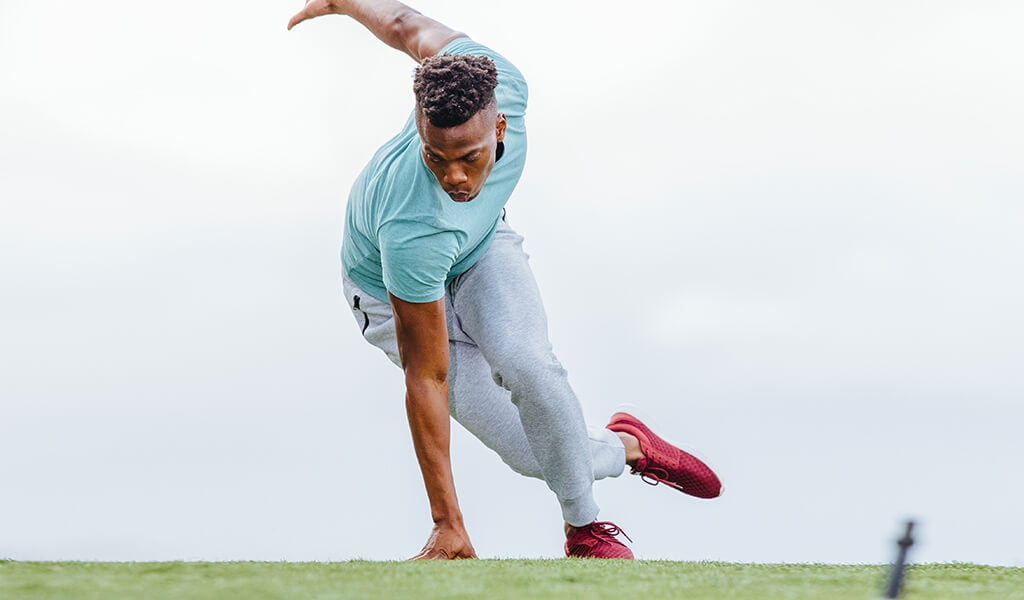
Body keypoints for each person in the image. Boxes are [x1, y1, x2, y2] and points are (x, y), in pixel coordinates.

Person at [288, 0, 723, 560]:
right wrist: (448, 523)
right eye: (435, 156)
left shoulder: (495, 78)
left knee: (529, 363)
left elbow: (403, 26)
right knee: (531, 452)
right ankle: (628, 447)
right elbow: (427, 378)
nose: (454, 176)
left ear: (500, 125)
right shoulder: (412, 224)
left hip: (480, 245)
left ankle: (585, 532)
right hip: (394, 288)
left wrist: (346, 3)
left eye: (468, 156)